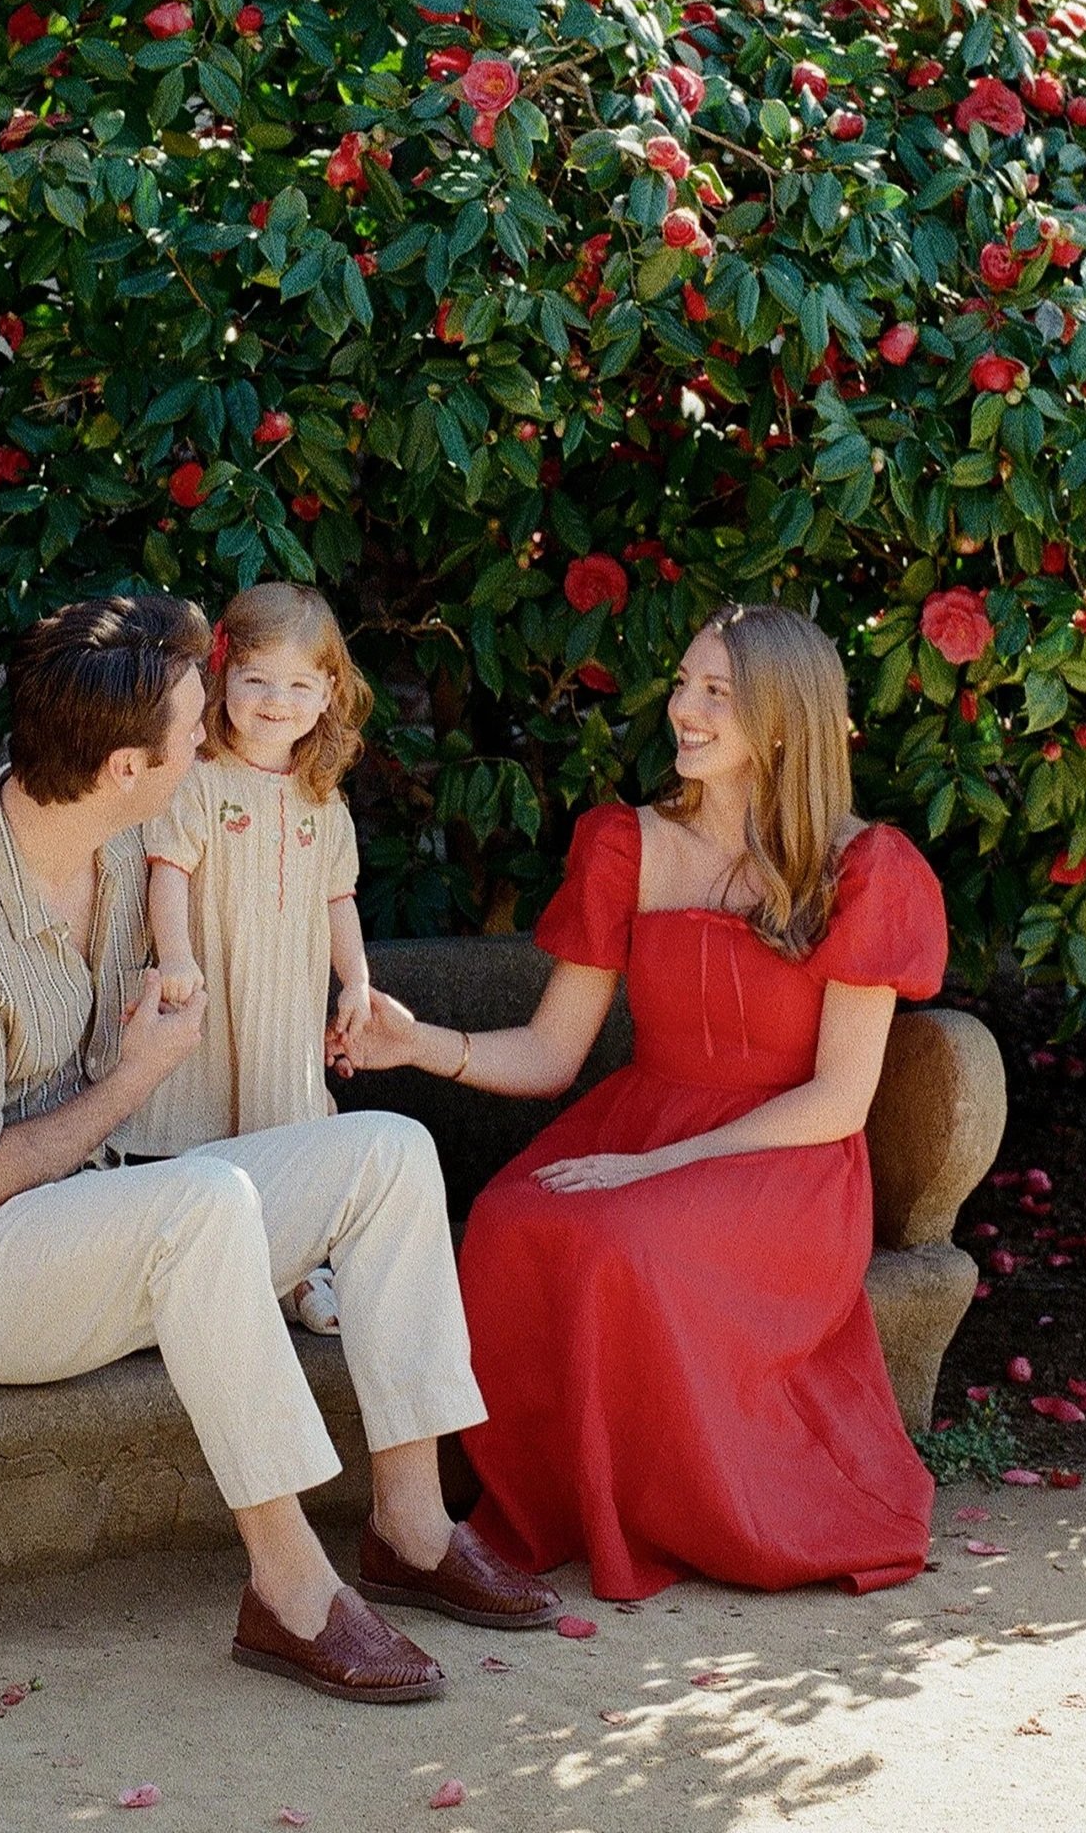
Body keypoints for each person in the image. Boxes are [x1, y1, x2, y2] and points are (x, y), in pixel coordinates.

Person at [0, 592, 559, 1703]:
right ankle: (290, 1589)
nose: (210, 745)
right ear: (128, 766)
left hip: (100, 1216)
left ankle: (413, 1525)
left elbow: (280, 883)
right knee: (205, 1203)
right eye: (192, 732)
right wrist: (135, 1078)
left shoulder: (118, 845)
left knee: (388, 1153)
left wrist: (355, 1000)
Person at [341, 600, 948, 1599]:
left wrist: (657, 1168)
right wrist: (420, 1046)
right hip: (644, 1115)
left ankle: (683, 1512)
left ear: (785, 719)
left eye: (719, 693)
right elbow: (549, 1051)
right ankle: (559, 1507)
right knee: (509, 1220)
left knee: (630, 1237)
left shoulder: (863, 867)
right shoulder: (626, 841)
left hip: (780, 1160)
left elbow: (840, 1098)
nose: (686, 710)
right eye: (683, 685)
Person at [124, 583, 376, 1336]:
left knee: (285, 1124)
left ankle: (299, 1271)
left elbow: (339, 898)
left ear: (330, 692)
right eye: (257, 679)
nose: (276, 700)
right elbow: (166, 871)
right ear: (222, 680)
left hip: (284, 1001)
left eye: (300, 684)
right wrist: (175, 954)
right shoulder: (198, 783)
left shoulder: (323, 800)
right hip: (213, 985)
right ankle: (212, 1274)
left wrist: (357, 980)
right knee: (207, 1126)